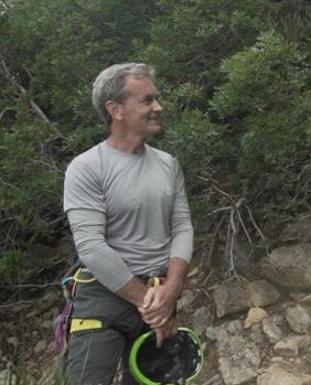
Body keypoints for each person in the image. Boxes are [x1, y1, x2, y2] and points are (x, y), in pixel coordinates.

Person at [63, 63, 193, 385]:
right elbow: (91, 247)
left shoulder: (168, 165)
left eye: (157, 99)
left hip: (159, 295)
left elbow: (182, 227)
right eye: (147, 100)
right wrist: (146, 302)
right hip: (105, 297)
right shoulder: (86, 168)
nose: (158, 108)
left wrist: (171, 289)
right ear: (115, 109)